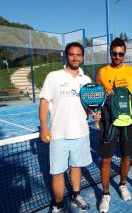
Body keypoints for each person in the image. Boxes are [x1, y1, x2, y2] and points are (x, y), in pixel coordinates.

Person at [39, 42, 100, 213]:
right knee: (57, 173)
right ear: (66, 56)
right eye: (72, 54)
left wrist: (94, 113)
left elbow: (88, 108)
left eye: (78, 55)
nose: (75, 58)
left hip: (81, 133)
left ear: (82, 57)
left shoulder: (86, 80)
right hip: (58, 135)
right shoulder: (54, 76)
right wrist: (44, 127)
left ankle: (76, 195)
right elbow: (44, 102)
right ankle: (58, 205)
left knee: (76, 167)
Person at [95, 37, 132, 213]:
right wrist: (102, 90)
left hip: (127, 121)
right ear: (110, 53)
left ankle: (122, 184)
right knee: (106, 159)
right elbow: (96, 90)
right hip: (109, 121)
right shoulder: (102, 72)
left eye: (120, 54)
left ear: (124, 54)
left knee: (126, 156)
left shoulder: (130, 70)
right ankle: (106, 194)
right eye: (114, 53)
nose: (117, 56)